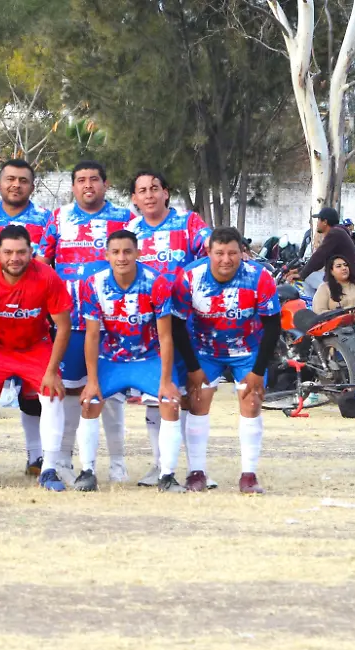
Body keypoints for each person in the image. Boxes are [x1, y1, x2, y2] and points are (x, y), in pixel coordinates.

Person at [40, 160, 137, 484]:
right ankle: (65, 459)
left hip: (112, 322)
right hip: (69, 321)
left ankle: (118, 464)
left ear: (105, 184)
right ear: (73, 186)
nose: (87, 185)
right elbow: (42, 264)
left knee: (110, 394)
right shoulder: (59, 218)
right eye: (81, 180)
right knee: (68, 392)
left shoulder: (124, 218)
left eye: (94, 179)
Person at [172, 227, 281, 494]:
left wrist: (258, 370)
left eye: (232, 253)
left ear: (242, 253)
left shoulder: (260, 277)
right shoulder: (190, 276)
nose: (225, 259)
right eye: (219, 253)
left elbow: (274, 325)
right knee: (197, 401)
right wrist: (194, 367)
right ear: (208, 253)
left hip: (248, 349)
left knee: (252, 400)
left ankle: (249, 475)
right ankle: (196, 472)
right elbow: (176, 325)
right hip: (205, 350)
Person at [0, 225, 71, 492]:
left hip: (34, 345)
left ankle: (49, 469)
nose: (14, 258)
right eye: (8, 252)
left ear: (31, 252)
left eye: (21, 252)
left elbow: (64, 325)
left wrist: (52, 369)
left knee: (52, 392)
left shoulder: (47, 276)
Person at [77, 230, 182, 492]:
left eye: (127, 251)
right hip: (111, 358)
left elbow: (166, 335)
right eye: (116, 252)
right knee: (89, 401)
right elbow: (91, 336)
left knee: (170, 402)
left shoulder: (155, 282)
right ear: (107, 255)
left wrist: (167, 380)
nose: (121, 257)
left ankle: (167, 476)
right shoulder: (94, 284)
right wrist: (91, 381)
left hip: (148, 357)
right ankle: (87, 471)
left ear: (137, 253)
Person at [126, 170, 212, 487]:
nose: (148, 195)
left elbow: (210, 254)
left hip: (187, 323)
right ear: (134, 198)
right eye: (142, 190)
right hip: (146, 327)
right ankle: (160, 463)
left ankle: (196, 468)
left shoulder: (188, 223)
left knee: (190, 394)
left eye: (154, 188)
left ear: (166, 193)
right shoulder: (130, 230)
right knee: (156, 395)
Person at [0, 158, 54, 262]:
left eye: (23, 181)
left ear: (32, 188)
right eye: (10, 179)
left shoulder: (47, 220)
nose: (16, 185)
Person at [313, 255, 355, 352]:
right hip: (339, 333)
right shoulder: (324, 288)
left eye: (345, 265)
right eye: (339, 266)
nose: (344, 268)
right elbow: (319, 311)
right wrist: (346, 317)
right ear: (331, 271)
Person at [292, 207, 355, 283]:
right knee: (312, 280)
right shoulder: (338, 232)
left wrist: (302, 275)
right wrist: (298, 270)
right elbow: (320, 262)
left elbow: (319, 256)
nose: (317, 223)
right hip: (344, 277)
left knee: (308, 281)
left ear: (325, 222)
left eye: (318, 220)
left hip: (346, 280)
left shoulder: (335, 233)